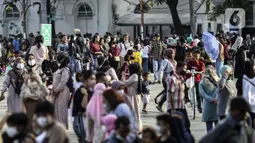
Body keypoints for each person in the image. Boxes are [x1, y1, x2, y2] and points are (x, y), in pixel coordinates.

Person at [167, 61, 191, 131]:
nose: (185, 70)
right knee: (174, 128)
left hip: (181, 106)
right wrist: (173, 109)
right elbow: (170, 94)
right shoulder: (173, 79)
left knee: (186, 124)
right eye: (184, 69)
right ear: (179, 68)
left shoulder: (181, 78)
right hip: (175, 107)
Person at [52, 54, 71, 129]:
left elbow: (63, 81)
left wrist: (57, 90)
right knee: (56, 109)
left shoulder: (65, 69)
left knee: (61, 109)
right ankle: (57, 126)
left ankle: (62, 127)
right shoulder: (59, 69)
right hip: (56, 92)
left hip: (63, 91)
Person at [199, 64, 219, 132]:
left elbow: (202, 94)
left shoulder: (202, 82)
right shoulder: (218, 80)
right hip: (217, 104)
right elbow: (219, 90)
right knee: (217, 126)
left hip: (208, 105)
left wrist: (210, 99)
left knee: (209, 127)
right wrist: (216, 99)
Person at [123, 63, 143, 132]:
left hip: (133, 97)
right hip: (135, 96)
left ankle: (136, 128)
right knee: (136, 112)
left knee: (134, 113)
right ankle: (137, 127)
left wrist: (123, 76)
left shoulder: (134, 76)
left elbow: (125, 83)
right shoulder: (137, 75)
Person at [156, 48, 177, 112]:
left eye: (174, 53)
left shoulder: (175, 62)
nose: (174, 54)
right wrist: (160, 78)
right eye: (172, 53)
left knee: (169, 92)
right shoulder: (166, 61)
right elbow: (161, 69)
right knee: (168, 92)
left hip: (173, 79)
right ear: (169, 54)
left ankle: (160, 104)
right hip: (167, 79)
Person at [242, 60, 255, 128]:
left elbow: (238, 88)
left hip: (245, 103)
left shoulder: (242, 77)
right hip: (254, 103)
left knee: (248, 123)